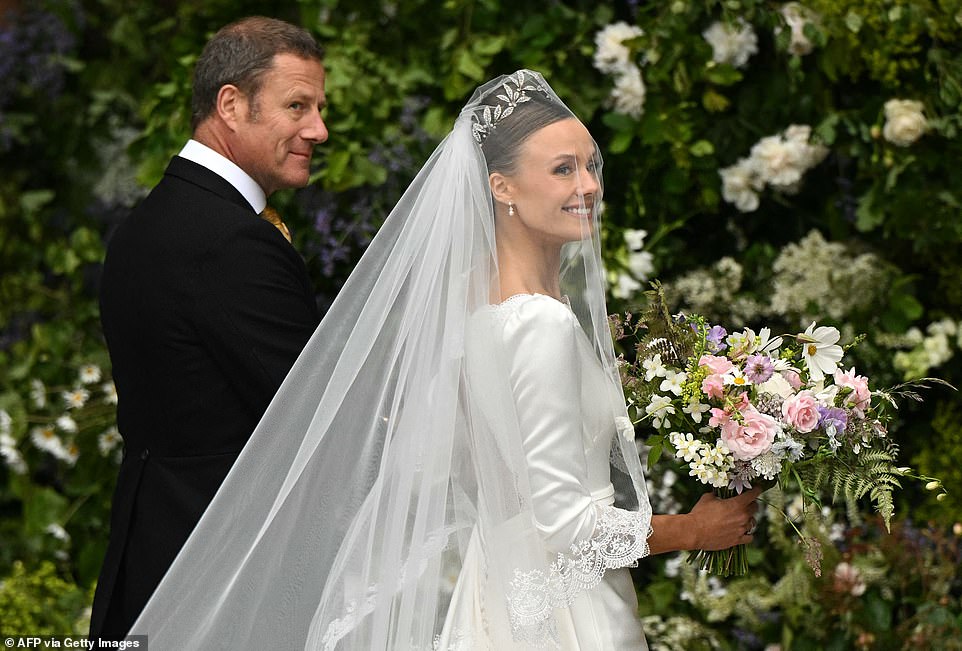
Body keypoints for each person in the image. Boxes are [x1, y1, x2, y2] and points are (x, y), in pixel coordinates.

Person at [127, 70, 759, 649]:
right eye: (564, 169)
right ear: (501, 186)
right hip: (562, 614)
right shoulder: (540, 323)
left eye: (590, 166)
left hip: (497, 591)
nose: (589, 185)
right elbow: (566, 525)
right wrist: (694, 531)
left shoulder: (471, 302)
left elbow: (459, 469)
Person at [89, 16, 327, 641]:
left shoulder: (149, 222)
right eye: (296, 106)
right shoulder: (230, 242)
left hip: (151, 554)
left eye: (318, 109)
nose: (318, 130)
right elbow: (316, 420)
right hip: (222, 582)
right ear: (230, 104)